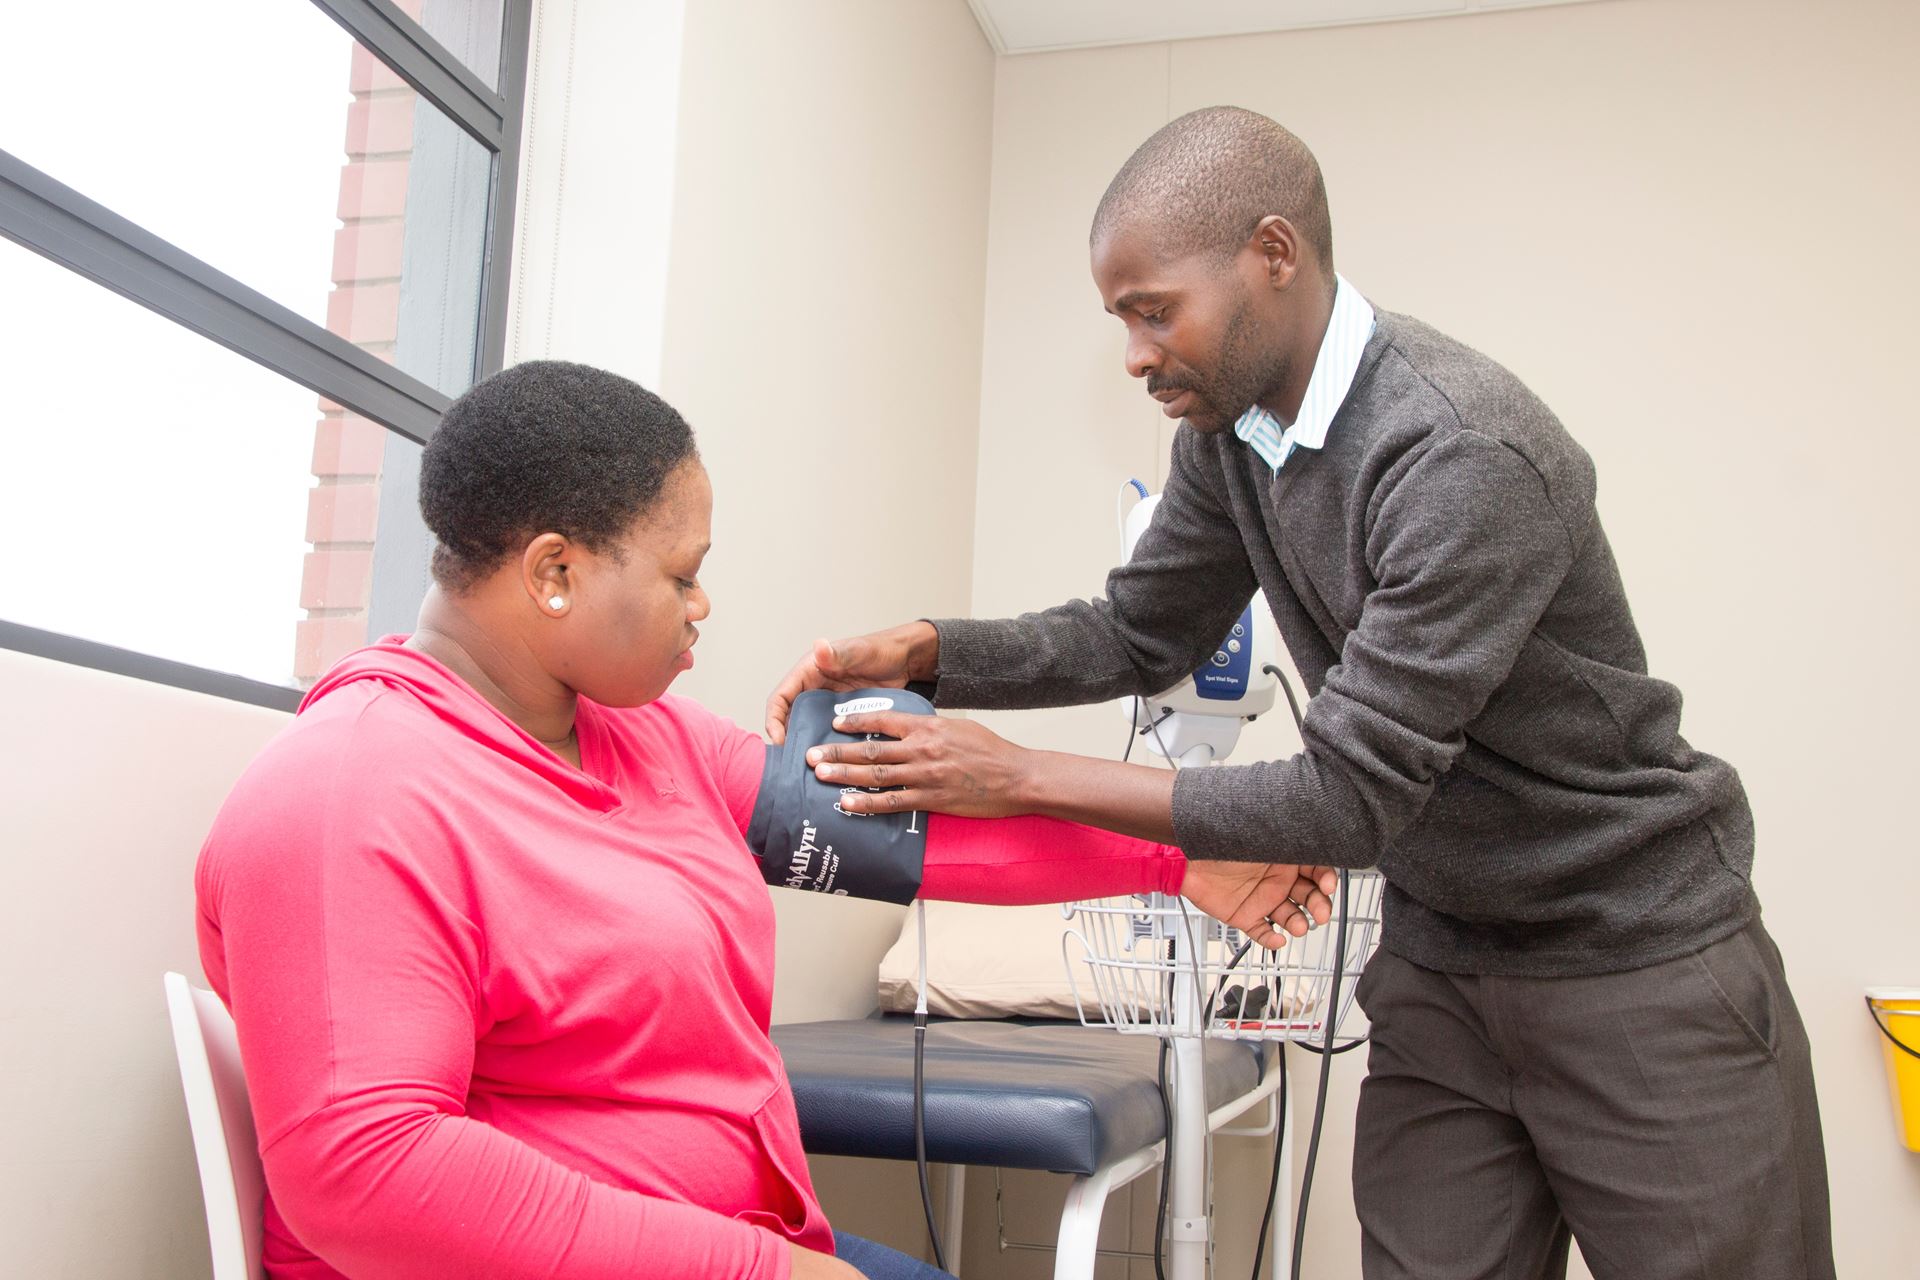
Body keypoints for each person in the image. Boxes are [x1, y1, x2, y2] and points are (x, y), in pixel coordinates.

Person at [765, 107, 1833, 1280]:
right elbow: (1135, 629)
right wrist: (925, 650)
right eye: (1120, 318)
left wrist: (1009, 775)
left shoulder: (1462, 451)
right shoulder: (1236, 440)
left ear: (1274, 254)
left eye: (1153, 310)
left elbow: (1348, 798)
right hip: (1442, 967)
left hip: (1638, 961)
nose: (1132, 352)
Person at [196, 360, 1334, 1280]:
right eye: (682, 574)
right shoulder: (349, 792)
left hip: (756, 1240)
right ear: (554, 571)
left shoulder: (646, 737)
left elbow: (915, 835)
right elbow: (367, 1174)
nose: (703, 607)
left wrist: (1176, 857)